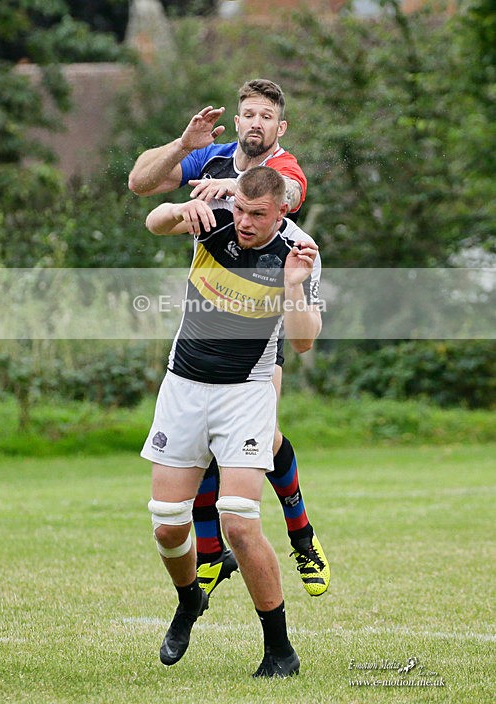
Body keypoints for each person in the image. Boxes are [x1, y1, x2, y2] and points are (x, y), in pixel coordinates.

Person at [129, 79, 330, 599]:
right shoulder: (211, 155)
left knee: (258, 439)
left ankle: (301, 535)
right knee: (205, 438)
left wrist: (234, 190)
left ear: (279, 127)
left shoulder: (284, 171)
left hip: (266, 314)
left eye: (267, 116)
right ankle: (212, 551)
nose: (257, 122)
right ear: (236, 121)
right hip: (210, 306)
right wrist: (182, 145)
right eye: (249, 114)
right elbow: (140, 185)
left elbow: (281, 193)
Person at [141, 167, 322, 676]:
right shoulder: (216, 218)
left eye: (257, 214)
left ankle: (280, 651)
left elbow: (305, 340)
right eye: (240, 208)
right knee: (166, 524)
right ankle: (187, 599)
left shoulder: (299, 251)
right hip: (183, 386)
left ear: (282, 211)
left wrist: (293, 287)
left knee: (239, 522)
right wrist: (180, 210)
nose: (243, 221)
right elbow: (154, 222)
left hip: (246, 393)